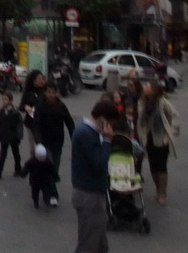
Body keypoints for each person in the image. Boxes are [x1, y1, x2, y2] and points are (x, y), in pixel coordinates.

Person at [71, 98, 118, 253]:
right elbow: (99, 163)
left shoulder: (89, 132)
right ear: (103, 119)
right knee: (88, 244)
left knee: (100, 244)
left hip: (93, 193)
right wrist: (107, 141)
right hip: (89, 195)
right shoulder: (86, 134)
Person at [135, 79, 181, 206]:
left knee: (161, 167)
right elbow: (141, 119)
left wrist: (171, 133)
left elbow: (175, 115)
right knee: (152, 166)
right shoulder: (142, 102)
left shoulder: (162, 102)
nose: (145, 87)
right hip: (148, 138)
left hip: (161, 138)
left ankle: (162, 193)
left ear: (154, 89)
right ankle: (157, 187)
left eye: (148, 86)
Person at [33, 82, 76, 180]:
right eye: (48, 92)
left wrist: (73, 136)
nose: (51, 95)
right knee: (48, 163)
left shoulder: (61, 106)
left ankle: (52, 178)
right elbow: (36, 125)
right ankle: (48, 184)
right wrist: (38, 141)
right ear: (44, 93)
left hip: (58, 140)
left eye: (53, 92)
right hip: (44, 141)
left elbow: (69, 121)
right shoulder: (40, 106)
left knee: (56, 162)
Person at [0, 91, 23, 179]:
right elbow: (0, 124)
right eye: (3, 99)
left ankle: (18, 169)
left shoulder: (15, 112)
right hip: (4, 136)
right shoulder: (2, 111)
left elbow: (19, 125)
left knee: (16, 153)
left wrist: (18, 136)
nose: (4, 101)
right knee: (3, 154)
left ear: (10, 101)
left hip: (13, 137)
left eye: (6, 100)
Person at [20, 143, 60, 208]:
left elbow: (52, 170)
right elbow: (26, 169)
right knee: (35, 192)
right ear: (36, 156)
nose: (43, 159)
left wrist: (56, 177)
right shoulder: (31, 162)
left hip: (44, 180)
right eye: (41, 158)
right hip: (35, 181)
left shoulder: (47, 162)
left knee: (46, 191)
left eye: (44, 157)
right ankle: (35, 201)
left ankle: (47, 201)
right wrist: (22, 173)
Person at [19, 70, 46, 151]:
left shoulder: (44, 91)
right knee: (32, 148)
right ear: (34, 80)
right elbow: (21, 106)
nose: (41, 80)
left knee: (42, 145)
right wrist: (26, 107)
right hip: (31, 122)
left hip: (43, 122)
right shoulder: (28, 92)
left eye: (42, 78)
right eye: (39, 78)